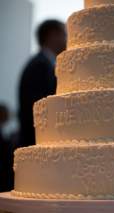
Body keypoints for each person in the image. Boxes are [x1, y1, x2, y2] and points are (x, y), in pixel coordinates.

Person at [18, 19, 66, 147]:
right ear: (53, 35)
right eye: (65, 34)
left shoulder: (44, 63)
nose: (68, 39)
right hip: (37, 143)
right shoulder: (40, 65)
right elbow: (40, 107)